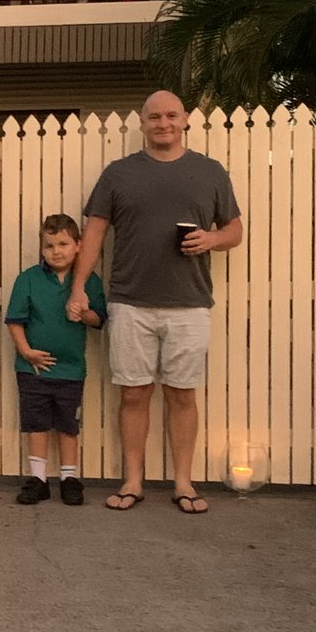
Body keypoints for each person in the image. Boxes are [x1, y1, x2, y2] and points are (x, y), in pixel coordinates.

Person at [68, 89, 243, 514]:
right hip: (130, 302)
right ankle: (133, 480)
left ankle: (184, 482)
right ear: (142, 124)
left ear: (185, 120)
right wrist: (78, 288)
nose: (162, 124)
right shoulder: (118, 174)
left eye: (170, 116)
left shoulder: (210, 172)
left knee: (183, 395)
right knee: (133, 394)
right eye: (154, 118)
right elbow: (93, 233)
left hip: (190, 304)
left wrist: (212, 239)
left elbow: (235, 230)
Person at [5, 214, 107, 505]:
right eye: (49, 246)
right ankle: (38, 479)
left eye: (63, 244)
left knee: (67, 424)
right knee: (36, 424)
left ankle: (68, 479)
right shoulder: (28, 279)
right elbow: (14, 320)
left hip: (70, 370)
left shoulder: (88, 281)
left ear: (78, 246)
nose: (56, 251)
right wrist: (26, 351)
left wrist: (83, 313)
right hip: (33, 368)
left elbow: (99, 319)